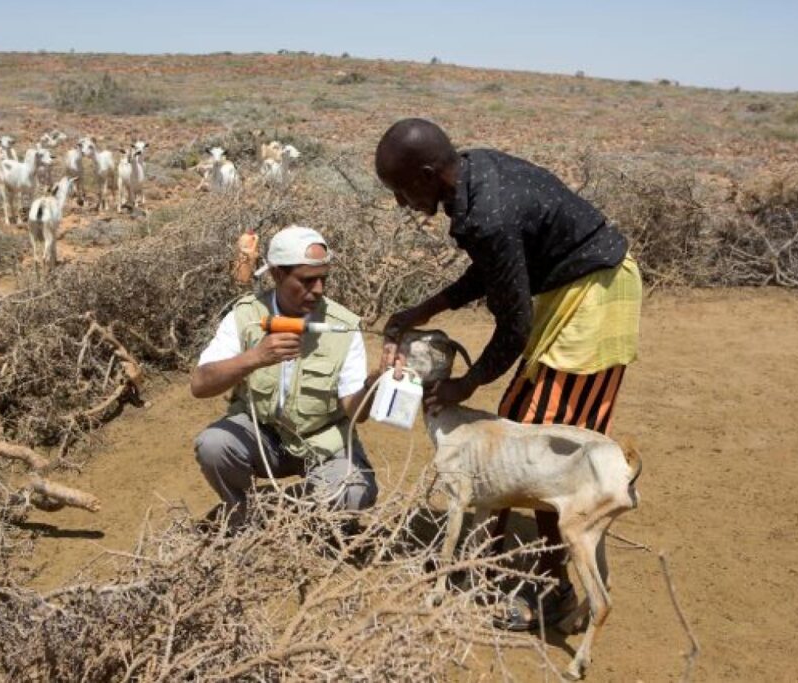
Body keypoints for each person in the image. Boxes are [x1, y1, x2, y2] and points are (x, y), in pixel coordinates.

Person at [375, 118, 642, 630]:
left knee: (537, 437)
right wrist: (426, 310)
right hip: (572, 289)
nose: (402, 204)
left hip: (597, 298)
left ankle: (553, 589)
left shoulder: (487, 213)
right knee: (521, 422)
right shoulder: (472, 177)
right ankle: (489, 563)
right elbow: (493, 269)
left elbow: (514, 324)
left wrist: (465, 383)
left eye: (403, 191)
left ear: (429, 174)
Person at [191, 225, 379, 525]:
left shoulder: (343, 326)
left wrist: (374, 384)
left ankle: (293, 503)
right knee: (213, 445)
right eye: (306, 280)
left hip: (322, 444)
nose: (318, 289)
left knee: (351, 493)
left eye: (323, 279)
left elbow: (356, 412)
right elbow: (199, 385)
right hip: (262, 436)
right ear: (277, 274)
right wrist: (255, 357)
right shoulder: (246, 317)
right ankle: (243, 517)